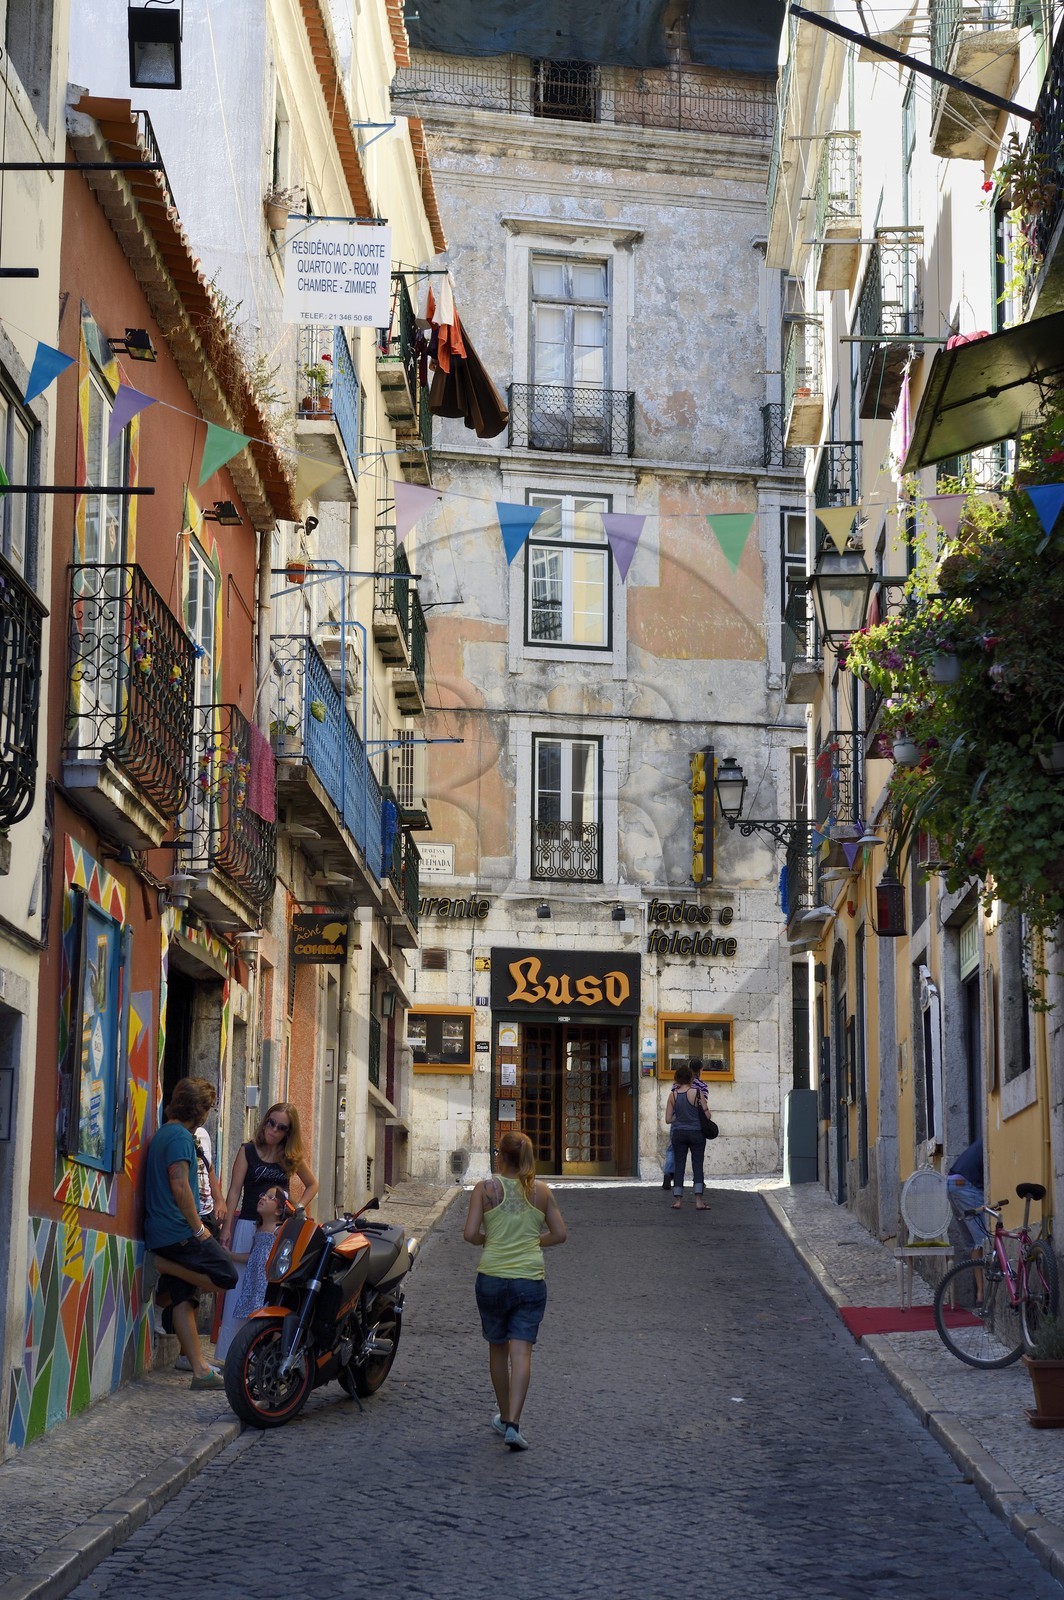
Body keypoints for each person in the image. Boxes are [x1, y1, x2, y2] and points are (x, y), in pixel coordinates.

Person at [463, 1130, 567, 1452]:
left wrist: (487, 1241)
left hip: (491, 1277)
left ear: (500, 1156)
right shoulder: (541, 1192)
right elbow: (560, 1234)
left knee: (498, 1349)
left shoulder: (485, 1189)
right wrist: (536, 1241)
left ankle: (505, 1413)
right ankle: (513, 1423)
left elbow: (469, 1234)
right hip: (529, 1280)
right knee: (522, 1353)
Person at [143, 1077, 238, 1390]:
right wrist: (199, 1230)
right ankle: (162, 1268)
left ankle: (200, 1371)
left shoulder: (163, 1134)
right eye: (208, 1107)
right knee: (226, 1275)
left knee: (185, 1293)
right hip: (178, 1231)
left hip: (163, 1230)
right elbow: (180, 1185)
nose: (208, 1114)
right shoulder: (181, 1138)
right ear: (199, 1110)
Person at [216, 1102, 318, 1359]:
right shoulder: (247, 1150)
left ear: (288, 1132)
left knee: (265, 1289)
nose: (273, 1129)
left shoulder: (289, 1157)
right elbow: (234, 1191)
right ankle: (233, 1355)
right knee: (239, 1287)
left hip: (275, 1233)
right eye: (271, 1122)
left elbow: (312, 1184)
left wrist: (298, 1208)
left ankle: (259, 1352)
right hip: (247, 1225)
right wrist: (227, 1227)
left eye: (281, 1127)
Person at [229, 1184, 288, 1330]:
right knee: (250, 1320)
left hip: (267, 1283)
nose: (262, 1198)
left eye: (269, 1197)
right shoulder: (258, 1229)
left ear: (279, 1210)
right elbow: (252, 1255)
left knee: (265, 1316)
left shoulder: (279, 1230)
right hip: (253, 1282)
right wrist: (230, 1255)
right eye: (263, 1195)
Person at [666, 1063, 710, 1211]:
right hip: (697, 1132)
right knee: (698, 1165)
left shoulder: (673, 1095)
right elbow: (707, 1114)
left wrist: (678, 1117)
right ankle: (699, 1201)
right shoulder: (698, 1093)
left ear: (677, 1079)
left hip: (679, 1133)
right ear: (691, 1078)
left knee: (679, 1165)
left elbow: (668, 1119)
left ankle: (678, 1200)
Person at [947, 1136, 986, 1262]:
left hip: (952, 1182)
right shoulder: (993, 1141)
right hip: (966, 1184)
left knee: (974, 1243)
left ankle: (980, 1283)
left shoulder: (982, 1142)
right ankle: (987, 1281)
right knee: (984, 1240)